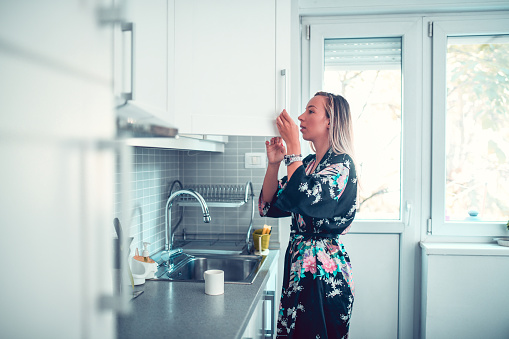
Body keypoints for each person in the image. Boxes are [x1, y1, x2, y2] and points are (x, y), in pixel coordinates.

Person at [259, 92, 358, 338]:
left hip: (325, 276)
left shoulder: (342, 165)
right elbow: (269, 205)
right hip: (298, 267)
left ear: (330, 121)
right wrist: (274, 164)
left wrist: (293, 149)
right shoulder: (310, 164)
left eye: (311, 111)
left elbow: (305, 197)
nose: (301, 117)